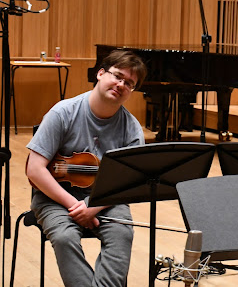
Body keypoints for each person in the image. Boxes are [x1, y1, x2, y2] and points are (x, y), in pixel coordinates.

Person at [26, 49, 147, 287]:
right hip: (55, 197)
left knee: (123, 234)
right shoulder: (63, 112)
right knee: (64, 237)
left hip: (107, 199)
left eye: (129, 83)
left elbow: (129, 181)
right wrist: (75, 205)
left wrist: (92, 207)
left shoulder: (131, 128)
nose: (121, 84)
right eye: (117, 76)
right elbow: (35, 170)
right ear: (100, 74)